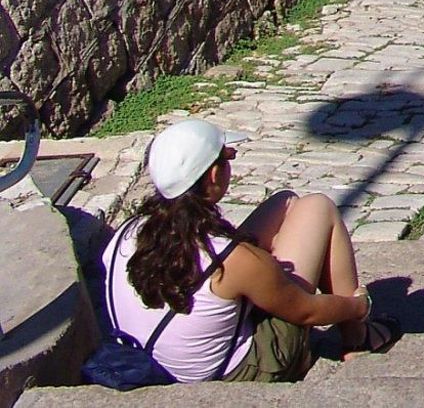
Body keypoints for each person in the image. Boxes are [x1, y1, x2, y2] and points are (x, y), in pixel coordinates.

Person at [101, 119, 395, 383]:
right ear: (213, 175)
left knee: (286, 201)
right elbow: (306, 311)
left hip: (157, 358)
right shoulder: (229, 259)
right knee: (318, 206)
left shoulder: (128, 232)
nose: (231, 162)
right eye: (228, 157)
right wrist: (358, 305)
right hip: (235, 371)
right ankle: (357, 339)